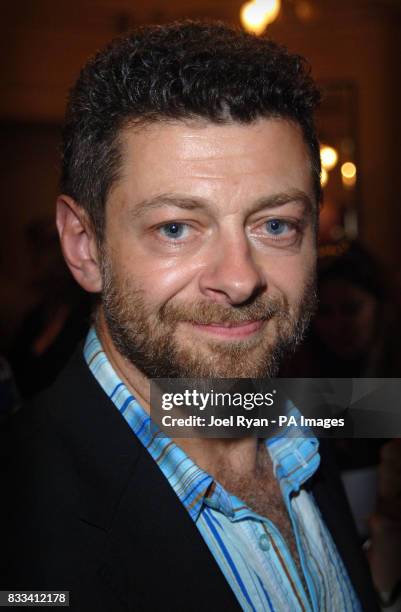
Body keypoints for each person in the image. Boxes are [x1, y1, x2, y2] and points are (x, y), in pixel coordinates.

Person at [1, 21, 383, 611]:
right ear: (83, 245)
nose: (239, 277)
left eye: (275, 224)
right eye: (176, 228)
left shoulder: (307, 425)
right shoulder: (23, 524)